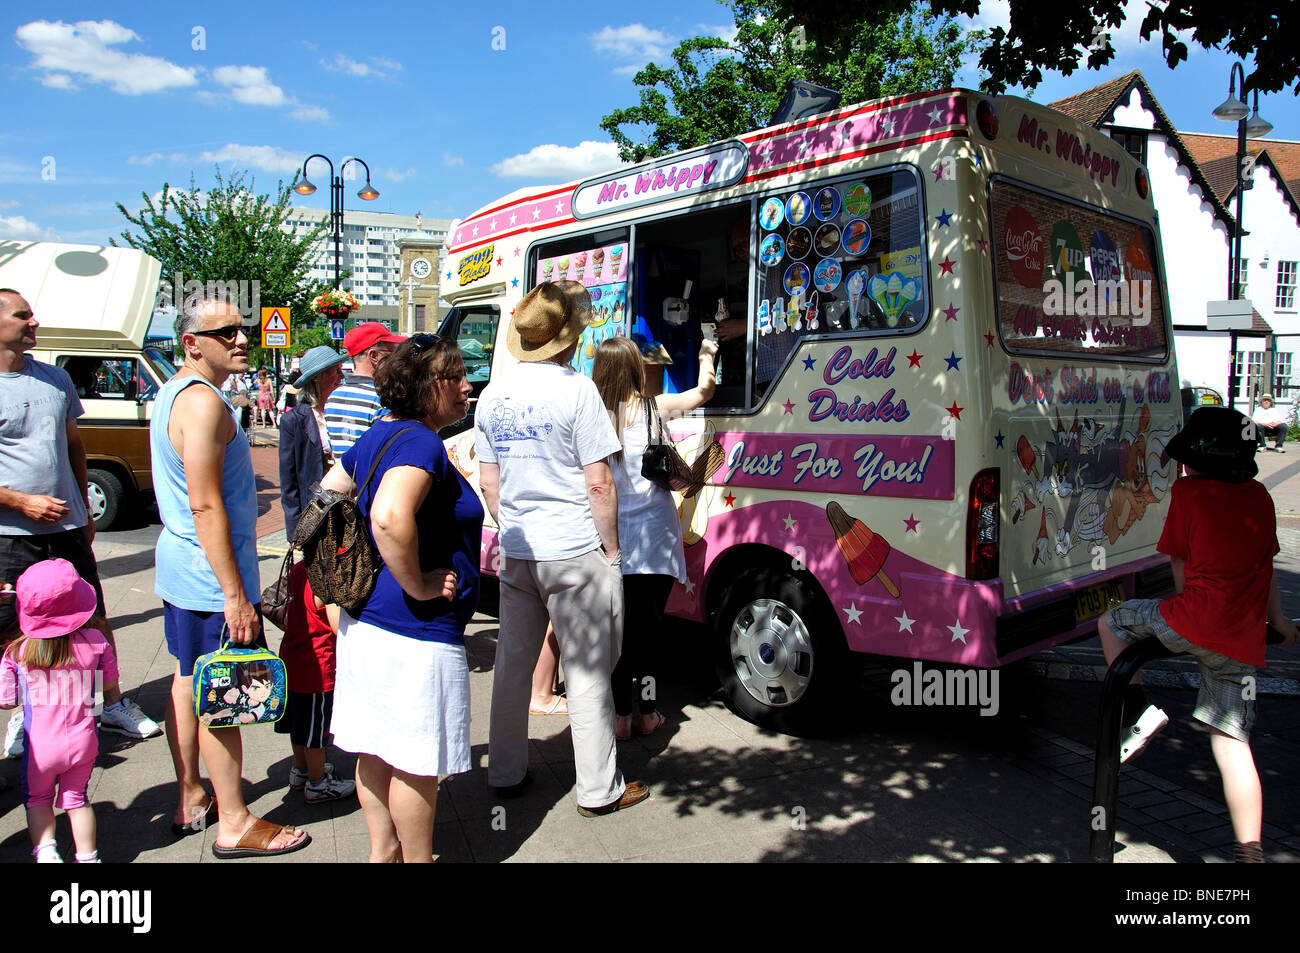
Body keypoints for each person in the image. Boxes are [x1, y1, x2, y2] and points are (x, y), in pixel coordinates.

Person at [476, 281, 649, 817]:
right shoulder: (578, 391)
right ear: (568, 340)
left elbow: (489, 483)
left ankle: (504, 772)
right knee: (588, 668)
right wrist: (613, 550)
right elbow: (599, 483)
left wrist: (516, 524)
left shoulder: (491, 395)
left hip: (519, 549)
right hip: (573, 547)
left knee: (513, 663)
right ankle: (599, 788)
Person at [1097, 406, 1299, 863]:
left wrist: (1185, 616)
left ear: (1195, 459)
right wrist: (1281, 626)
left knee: (1112, 621)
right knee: (1233, 742)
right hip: (1240, 638)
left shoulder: (1188, 494)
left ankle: (1138, 710)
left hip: (1190, 619)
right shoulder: (1261, 498)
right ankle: (1249, 852)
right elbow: (1264, 568)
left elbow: (1179, 565)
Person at [151, 291, 309, 857]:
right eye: (226, 333)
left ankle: (194, 796)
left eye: (241, 329)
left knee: (190, 681)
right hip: (205, 576)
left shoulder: (179, 393)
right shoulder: (203, 403)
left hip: (186, 568)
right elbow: (205, 504)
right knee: (224, 693)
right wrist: (235, 595)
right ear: (191, 343)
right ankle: (235, 821)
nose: (241, 339)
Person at [319, 333, 479, 862]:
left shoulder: (381, 432)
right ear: (424, 387)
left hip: (368, 621)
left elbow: (329, 491)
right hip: (415, 629)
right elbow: (388, 516)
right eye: (453, 377)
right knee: (415, 759)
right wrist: (420, 583)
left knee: (377, 747)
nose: (466, 385)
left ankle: (383, 852)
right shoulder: (421, 442)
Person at [0, 287, 160, 758]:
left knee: (93, 616)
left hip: (66, 529)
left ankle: (111, 703)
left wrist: (83, 508)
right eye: (22, 315)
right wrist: (19, 502)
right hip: (10, 536)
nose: (33, 322)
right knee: (13, 629)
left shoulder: (54, 379)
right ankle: (25, 715)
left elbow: (74, 445)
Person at [593, 334, 718, 739]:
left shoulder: (591, 417)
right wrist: (706, 354)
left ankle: (621, 717)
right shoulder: (653, 408)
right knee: (649, 631)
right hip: (656, 538)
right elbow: (703, 392)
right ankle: (648, 713)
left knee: (618, 634)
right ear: (633, 369)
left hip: (611, 539)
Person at [0, 559, 120, 863]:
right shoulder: (96, 641)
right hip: (83, 741)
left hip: (40, 748)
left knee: (38, 799)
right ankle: (88, 857)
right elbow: (108, 683)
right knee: (76, 799)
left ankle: (47, 851)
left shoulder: (17, 652)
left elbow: (6, 700)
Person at [273, 560, 354, 803]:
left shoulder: (300, 568)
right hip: (317, 668)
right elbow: (338, 626)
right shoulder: (327, 577)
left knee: (298, 724)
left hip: (291, 658)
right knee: (315, 733)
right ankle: (318, 783)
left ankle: (301, 770)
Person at [279, 346, 347, 541]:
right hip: (315, 512)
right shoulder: (294, 420)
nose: (341, 377)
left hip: (346, 508)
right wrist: (295, 532)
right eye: (336, 371)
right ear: (317, 377)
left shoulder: (343, 411)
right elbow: (289, 481)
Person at [324, 322, 406, 456]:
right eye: (391, 353)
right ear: (374, 356)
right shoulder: (382, 397)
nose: (394, 359)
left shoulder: (333, 398)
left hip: (341, 475)